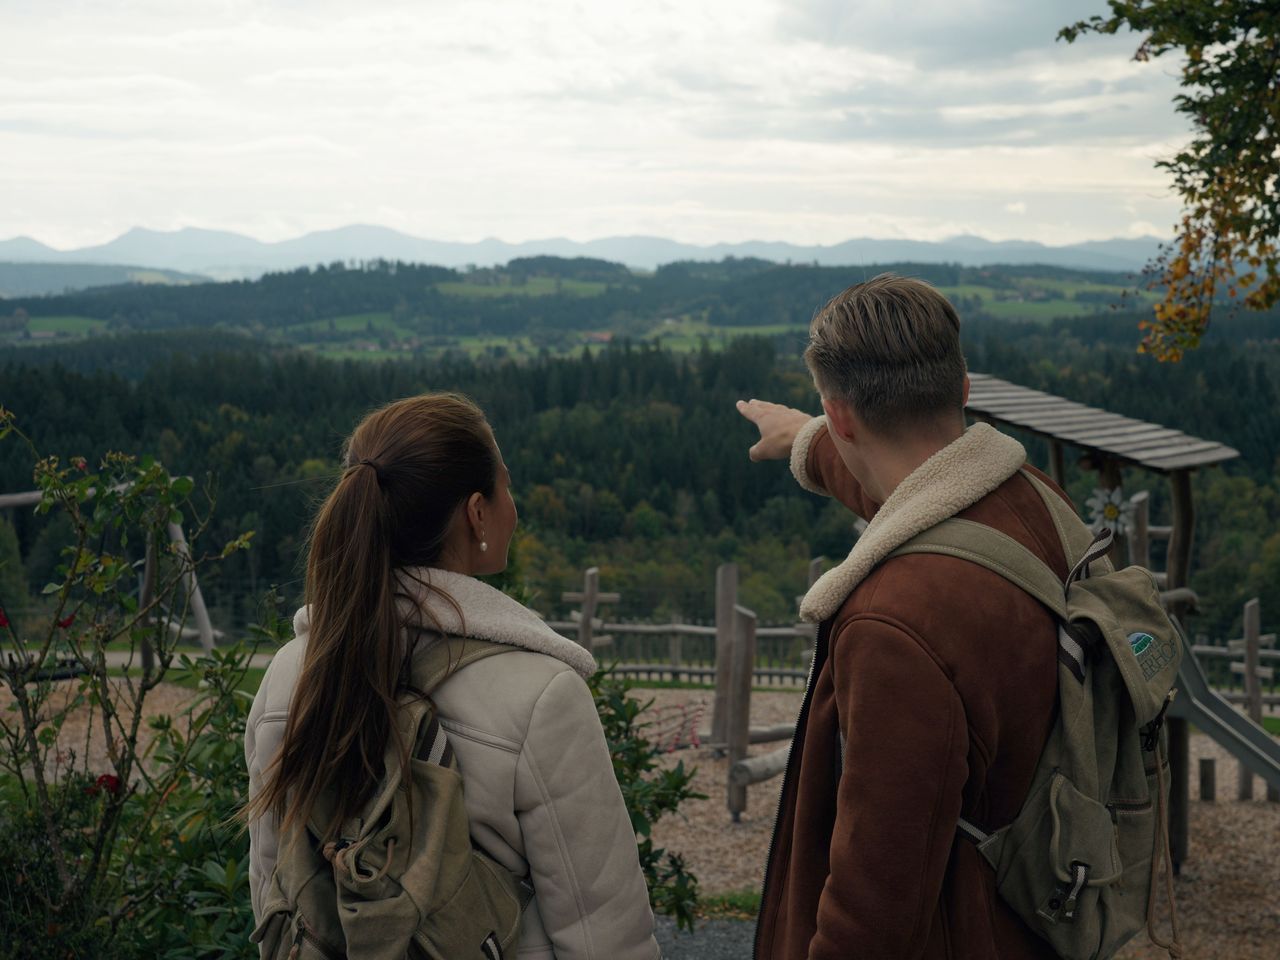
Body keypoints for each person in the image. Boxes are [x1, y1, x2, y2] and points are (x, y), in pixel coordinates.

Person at [243, 392, 660, 960]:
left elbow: (275, 890)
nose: (514, 504)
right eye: (505, 486)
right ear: (477, 513)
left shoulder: (292, 672)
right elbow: (604, 933)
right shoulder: (542, 696)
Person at [737, 274, 1065, 960]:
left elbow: (872, 913)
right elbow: (914, 494)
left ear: (843, 414)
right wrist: (805, 439)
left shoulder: (896, 626)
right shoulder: (1031, 503)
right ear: (963, 387)